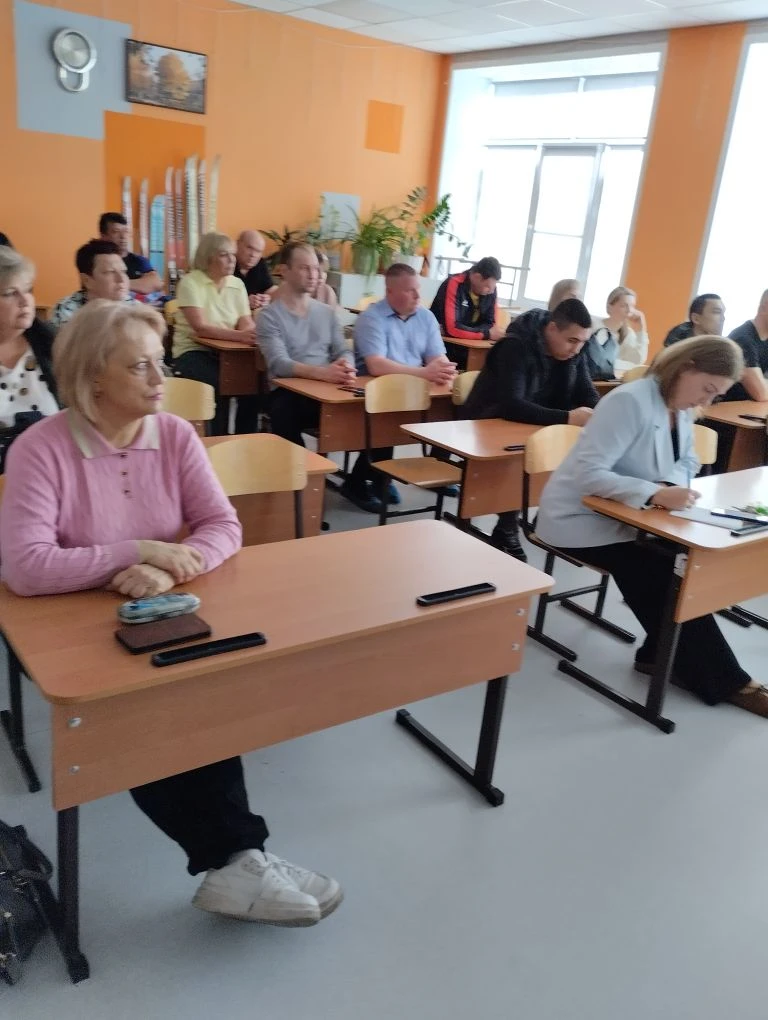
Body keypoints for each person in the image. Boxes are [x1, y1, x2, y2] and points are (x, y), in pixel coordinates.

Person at [0, 299, 343, 924]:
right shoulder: (40, 449)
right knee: (155, 705)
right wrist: (136, 551)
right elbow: (26, 567)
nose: (162, 378)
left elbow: (222, 526)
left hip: (159, 609)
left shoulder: (176, 435)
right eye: (141, 366)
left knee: (201, 690)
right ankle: (239, 858)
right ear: (92, 377)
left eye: (160, 361)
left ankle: (239, 858)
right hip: (63, 633)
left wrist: (168, 568)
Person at [536, 336, 768, 717]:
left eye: (716, 395)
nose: (707, 401)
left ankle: (659, 654)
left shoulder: (679, 406)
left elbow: (689, 461)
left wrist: (664, 489)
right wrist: (655, 493)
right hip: (580, 519)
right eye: (707, 389)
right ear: (687, 367)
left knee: (686, 560)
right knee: (659, 569)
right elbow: (589, 474)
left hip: (635, 516)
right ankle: (728, 681)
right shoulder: (629, 401)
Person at [464, 298, 597, 561]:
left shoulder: (573, 352)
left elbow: (587, 393)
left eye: (583, 342)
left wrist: (599, 412)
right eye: (572, 340)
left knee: (566, 451)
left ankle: (531, 520)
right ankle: (507, 525)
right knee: (523, 458)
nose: (577, 349)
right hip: (488, 424)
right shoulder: (515, 347)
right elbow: (511, 405)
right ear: (552, 328)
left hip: (534, 424)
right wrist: (568, 417)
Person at [351, 263, 457, 506]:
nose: (418, 296)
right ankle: (363, 479)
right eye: (410, 291)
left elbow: (437, 357)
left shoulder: (426, 317)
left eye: (418, 289)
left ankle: (436, 467)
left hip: (414, 388)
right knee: (388, 417)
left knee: (452, 407)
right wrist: (424, 373)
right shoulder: (372, 318)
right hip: (375, 392)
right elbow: (376, 365)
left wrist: (444, 370)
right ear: (390, 292)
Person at [258, 241, 355, 450]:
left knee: (376, 415)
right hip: (289, 391)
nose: (313, 275)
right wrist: (323, 373)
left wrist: (346, 366)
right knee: (283, 411)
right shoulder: (269, 316)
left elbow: (343, 350)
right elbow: (279, 363)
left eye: (316, 269)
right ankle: (300, 467)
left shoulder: (327, 313)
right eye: (304, 268)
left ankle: (362, 473)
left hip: (328, 388)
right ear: (284, 271)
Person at [172, 232, 260, 436]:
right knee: (219, 384)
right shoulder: (190, 282)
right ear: (208, 257)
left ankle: (246, 439)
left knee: (254, 384)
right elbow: (201, 328)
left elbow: (245, 322)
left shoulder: (237, 284)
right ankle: (216, 440)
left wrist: (252, 333)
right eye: (224, 255)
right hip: (193, 351)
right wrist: (240, 336)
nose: (232, 260)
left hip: (228, 353)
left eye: (232, 254)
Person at [0, 248, 59, 469]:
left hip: (51, 468)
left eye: (27, 290)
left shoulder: (52, 345)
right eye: (10, 293)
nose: (25, 301)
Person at [430, 257, 507, 369]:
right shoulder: (454, 283)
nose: (491, 291)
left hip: (472, 346)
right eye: (487, 287)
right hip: (445, 347)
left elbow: (491, 325)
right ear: (476, 277)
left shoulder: (491, 291)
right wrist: (485, 334)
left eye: (493, 287)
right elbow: (452, 329)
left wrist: (469, 331)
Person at [50, 239, 134, 333]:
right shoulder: (67, 310)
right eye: (110, 272)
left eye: (123, 271)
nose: (121, 280)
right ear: (87, 281)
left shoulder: (134, 307)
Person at [585, 286, 649, 380]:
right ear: (609, 307)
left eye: (632, 306)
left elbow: (638, 360)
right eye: (624, 306)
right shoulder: (593, 323)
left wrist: (642, 329)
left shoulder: (628, 334)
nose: (629, 310)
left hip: (607, 380)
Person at [99, 212, 164, 297]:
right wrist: (141, 284)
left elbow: (156, 283)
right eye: (116, 231)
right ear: (103, 236)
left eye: (126, 231)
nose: (123, 236)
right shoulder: (98, 261)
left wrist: (120, 284)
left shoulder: (138, 260)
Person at [723, 290, 768, 401]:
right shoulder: (743, 339)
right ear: (764, 308)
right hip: (723, 408)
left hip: (748, 407)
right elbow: (761, 393)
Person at [233, 230, 277, 312]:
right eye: (250, 248)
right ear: (237, 244)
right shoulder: (227, 263)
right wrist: (245, 302)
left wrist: (267, 298)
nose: (253, 255)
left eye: (258, 251)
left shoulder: (260, 263)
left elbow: (270, 289)